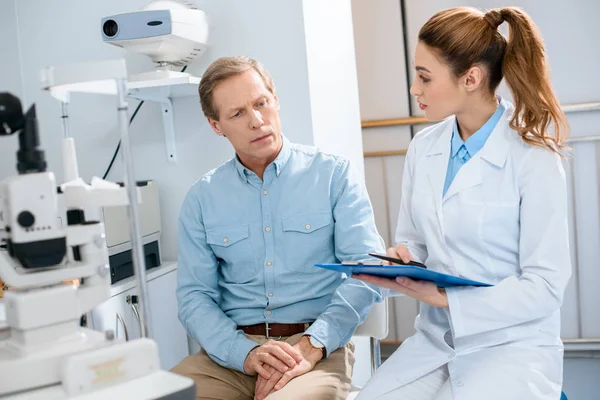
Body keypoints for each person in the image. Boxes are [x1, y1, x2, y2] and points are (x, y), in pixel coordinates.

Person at [353, 6, 571, 400]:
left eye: (424, 77)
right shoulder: (423, 148)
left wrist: (447, 299)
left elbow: (545, 286)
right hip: (436, 340)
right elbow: (415, 243)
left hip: (511, 346)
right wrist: (402, 260)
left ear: (470, 78)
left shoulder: (534, 157)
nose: (414, 89)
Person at [170, 56, 384, 400]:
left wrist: (313, 344)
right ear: (216, 125)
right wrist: (244, 354)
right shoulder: (201, 197)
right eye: (238, 113)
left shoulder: (333, 176)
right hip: (230, 357)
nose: (257, 121)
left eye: (261, 103)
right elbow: (195, 297)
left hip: (314, 351)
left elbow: (367, 270)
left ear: (276, 100)